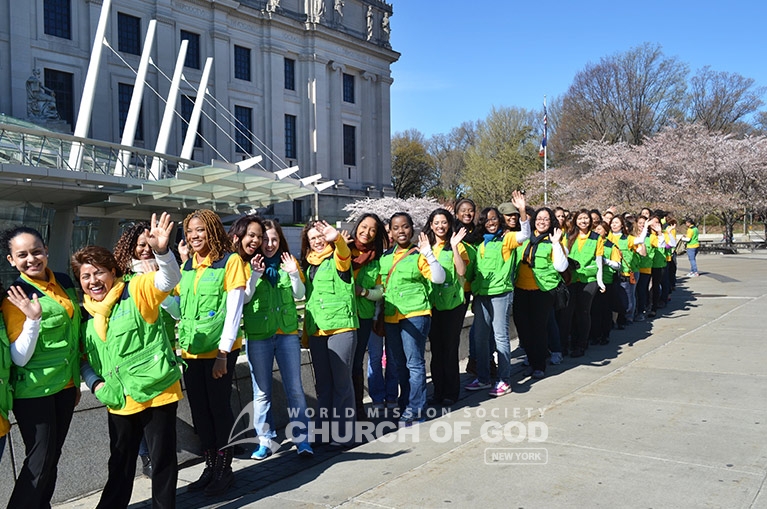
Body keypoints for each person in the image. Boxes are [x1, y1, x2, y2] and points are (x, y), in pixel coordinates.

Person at [72, 212, 182, 509]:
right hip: (117, 396)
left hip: (156, 389)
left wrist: (162, 252)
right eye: (86, 276)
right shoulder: (84, 313)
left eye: (99, 273)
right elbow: (83, 358)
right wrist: (95, 385)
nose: (93, 281)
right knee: (119, 462)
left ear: (113, 271)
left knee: (161, 461)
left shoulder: (136, 289)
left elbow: (169, 280)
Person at [1, 226, 81, 508]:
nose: (31, 259)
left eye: (36, 251)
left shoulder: (62, 281)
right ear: (11, 261)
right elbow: (19, 357)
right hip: (34, 390)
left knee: (51, 459)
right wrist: (32, 320)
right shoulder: (15, 294)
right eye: (21, 255)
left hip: (65, 386)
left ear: (46, 250)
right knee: (40, 459)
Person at [178, 209, 248, 496]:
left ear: (213, 231)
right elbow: (178, 307)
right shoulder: (188, 267)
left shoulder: (229, 262)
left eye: (200, 230)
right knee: (200, 411)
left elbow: (234, 310)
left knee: (219, 409)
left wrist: (222, 352)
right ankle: (210, 467)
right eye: (190, 231)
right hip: (191, 351)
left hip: (220, 351)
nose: (194, 236)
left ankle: (224, 470)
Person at [239, 217, 314, 459]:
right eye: (265, 239)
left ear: (280, 240)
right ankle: (266, 440)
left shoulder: (288, 262)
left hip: (287, 334)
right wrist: (254, 275)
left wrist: (293, 274)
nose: (269, 244)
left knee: (295, 389)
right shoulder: (247, 264)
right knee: (261, 391)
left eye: (274, 239)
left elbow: (300, 294)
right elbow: (245, 299)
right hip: (259, 335)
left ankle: (302, 439)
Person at [113, 220, 180, 478]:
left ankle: (159, 459)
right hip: (131, 358)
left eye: (150, 245)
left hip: (161, 354)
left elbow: (177, 312)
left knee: (159, 421)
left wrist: (155, 287)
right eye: (141, 245)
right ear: (130, 246)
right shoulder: (119, 276)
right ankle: (145, 456)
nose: (146, 250)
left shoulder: (166, 269)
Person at [380, 212, 445, 423]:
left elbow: (438, 278)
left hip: (415, 315)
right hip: (391, 317)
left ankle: (416, 408)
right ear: (390, 231)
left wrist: (429, 254)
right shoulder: (385, 258)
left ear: (412, 229)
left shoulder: (419, 254)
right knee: (399, 364)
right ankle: (407, 402)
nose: (401, 231)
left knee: (414, 363)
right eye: (396, 227)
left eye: (405, 226)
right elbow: (381, 287)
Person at [465, 191, 529, 395]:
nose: (491, 222)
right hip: (481, 295)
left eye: (494, 219)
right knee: (481, 338)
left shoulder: (507, 238)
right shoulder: (479, 243)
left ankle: (504, 379)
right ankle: (483, 378)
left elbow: (525, 235)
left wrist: (522, 210)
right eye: (487, 220)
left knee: (501, 337)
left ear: (499, 220)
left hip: (501, 293)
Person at [301, 220, 359, 445]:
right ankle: (324, 432)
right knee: (323, 385)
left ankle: (344, 434)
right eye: (312, 238)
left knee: (342, 383)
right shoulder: (308, 266)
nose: (317, 241)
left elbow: (344, 255)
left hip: (341, 328)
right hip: (317, 332)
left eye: (320, 236)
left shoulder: (338, 258)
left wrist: (337, 239)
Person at [345, 214, 394, 416]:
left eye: (372, 229)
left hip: (363, 316)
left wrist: (363, 292)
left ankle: (357, 407)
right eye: (363, 227)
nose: (367, 232)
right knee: (343, 364)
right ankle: (344, 407)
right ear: (357, 227)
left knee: (357, 362)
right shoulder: (343, 251)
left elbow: (380, 291)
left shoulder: (377, 260)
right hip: (343, 315)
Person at [513, 207, 569, 378]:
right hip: (521, 289)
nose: (542, 222)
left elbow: (561, 266)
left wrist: (556, 243)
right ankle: (531, 359)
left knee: (538, 328)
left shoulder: (556, 239)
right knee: (523, 328)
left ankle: (539, 365)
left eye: (546, 219)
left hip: (543, 291)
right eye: (539, 218)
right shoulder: (525, 238)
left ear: (551, 221)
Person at [422, 209, 468, 406]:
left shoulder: (457, 245)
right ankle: (438, 391)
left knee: (450, 349)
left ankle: (451, 391)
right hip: (432, 304)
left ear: (449, 224)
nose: (440, 226)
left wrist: (455, 247)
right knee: (436, 350)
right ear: (431, 225)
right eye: (436, 223)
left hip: (453, 304)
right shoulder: (426, 246)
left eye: (444, 222)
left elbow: (461, 271)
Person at [562, 209, 606, 358]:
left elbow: (599, 261)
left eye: (586, 218)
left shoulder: (596, 238)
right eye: (580, 218)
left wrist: (600, 281)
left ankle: (581, 344)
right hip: (571, 279)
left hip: (589, 280)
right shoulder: (568, 236)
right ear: (575, 220)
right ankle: (569, 342)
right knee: (569, 312)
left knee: (583, 311)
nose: (583, 221)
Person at [589, 221, 623, 345]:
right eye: (595, 229)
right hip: (592, 279)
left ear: (606, 231)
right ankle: (594, 335)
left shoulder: (611, 246)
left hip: (606, 282)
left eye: (599, 229)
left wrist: (606, 261)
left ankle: (605, 334)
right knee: (594, 310)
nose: (597, 231)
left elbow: (618, 265)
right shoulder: (591, 244)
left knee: (605, 310)